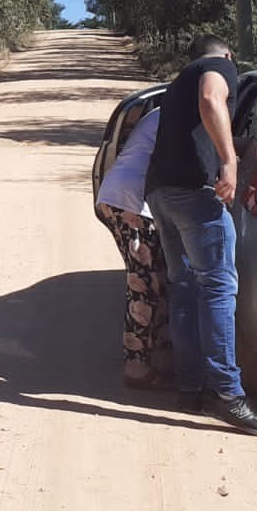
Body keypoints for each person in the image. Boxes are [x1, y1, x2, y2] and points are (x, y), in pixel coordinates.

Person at [145, 34, 257, 436]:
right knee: (219, 288)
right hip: (195, 195)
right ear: (229, 53)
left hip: (161, 193)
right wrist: (230, 162)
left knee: (185, 287)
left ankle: (190, 388)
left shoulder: (176, 84)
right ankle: (228, 395)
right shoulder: (217, 67)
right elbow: (211, 101)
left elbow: (197, 119)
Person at [94, 107, 173, 390]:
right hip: (133, 202)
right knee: (145, 283)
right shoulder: (182, 114)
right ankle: (137, 366)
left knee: (153, 279)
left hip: (118, 196)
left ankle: (153, 358)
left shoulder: (160, 111)